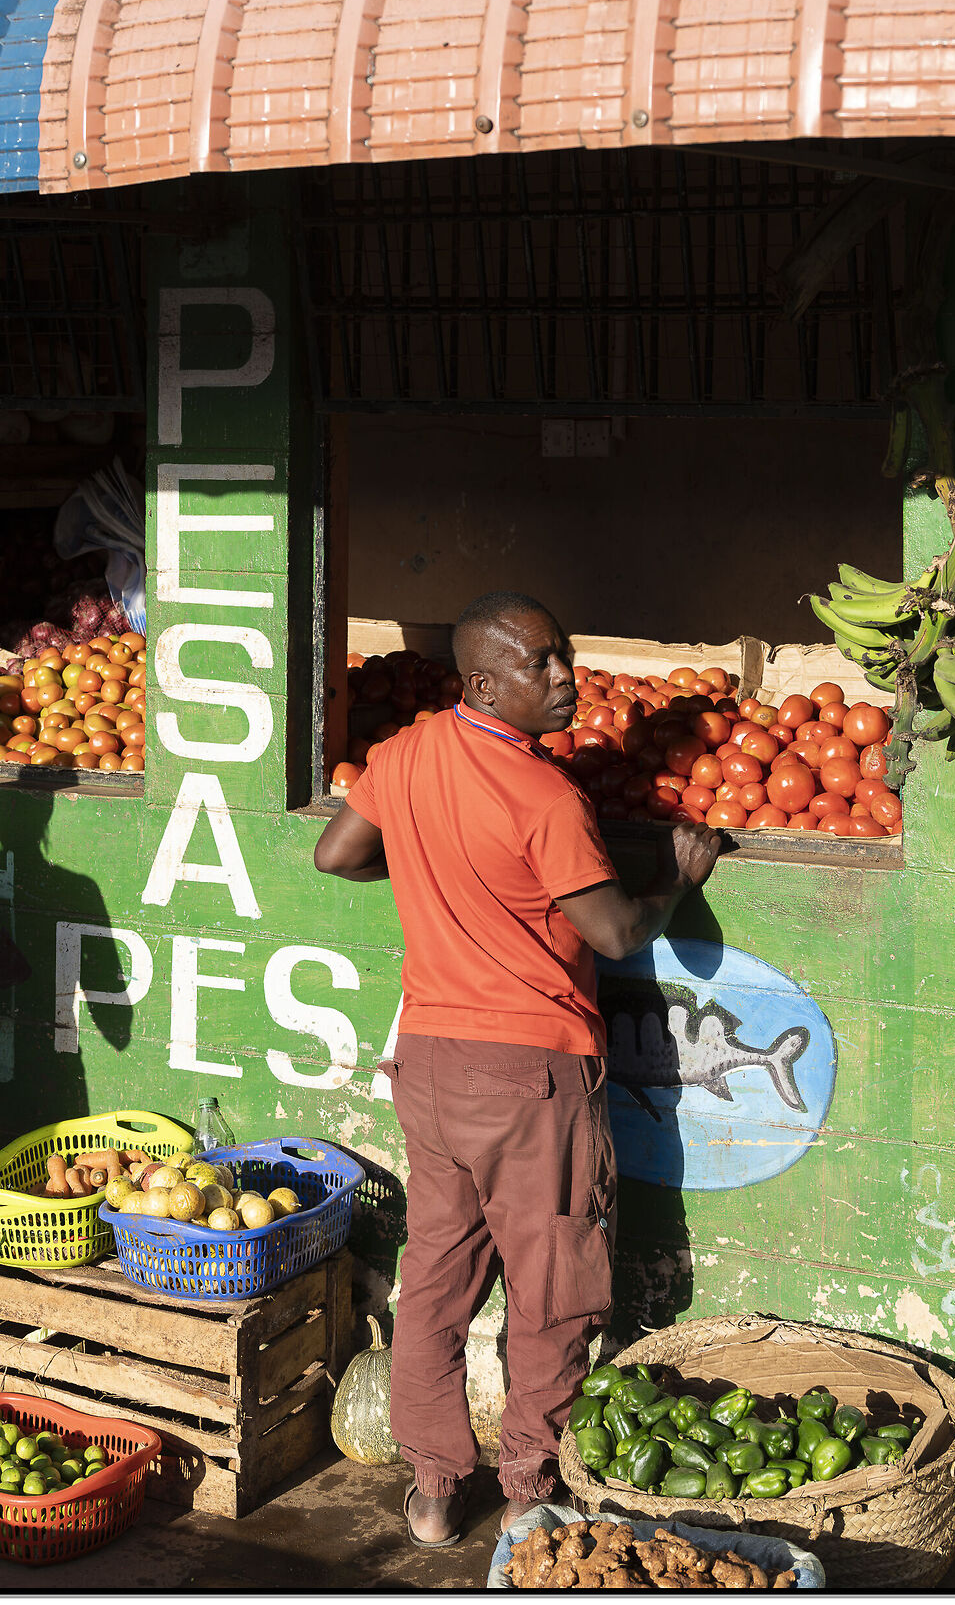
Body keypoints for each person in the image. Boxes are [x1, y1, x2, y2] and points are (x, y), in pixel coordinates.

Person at [313, 591, 722, 1547]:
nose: (566, 677)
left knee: (436, 1280)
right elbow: (614, 931)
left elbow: (337, 854)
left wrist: (438, 869)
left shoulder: (407, 752)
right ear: (485, 684)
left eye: (564, 656)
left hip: (429, 1065)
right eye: (541, 664)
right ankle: (531, 1486)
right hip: (530, 1077)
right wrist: (675, 883)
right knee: (554, 1290)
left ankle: (431, 1490)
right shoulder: (546, 796)